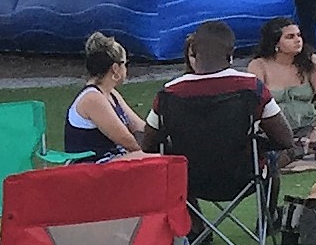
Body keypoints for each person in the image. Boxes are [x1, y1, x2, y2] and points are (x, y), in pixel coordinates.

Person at [140, 19, 295, 159]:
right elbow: (284, 139)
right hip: (240, 176)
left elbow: (148, 144)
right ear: (231, 54)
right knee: (271, 162)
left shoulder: (169, 92)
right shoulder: (252, 86)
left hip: (188, 176)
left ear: (193, 52)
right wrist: (254, 144)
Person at [247, 19, 316, 155]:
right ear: (275, 42)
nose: (297, 40)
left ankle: (307, 141)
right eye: (290, 37)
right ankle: (297, 144)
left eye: (299, 35)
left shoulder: (311, 60)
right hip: (277, 128)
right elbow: (256, 103)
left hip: (310, 124)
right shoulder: (259, 65)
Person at [63, 32, 147, 160]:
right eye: (125, 63)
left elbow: (139, 126)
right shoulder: (92, 99)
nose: (126, 68)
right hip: (90, 167)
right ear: (115, 68)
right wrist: (155, 149)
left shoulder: (111, 93)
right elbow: (127, 141)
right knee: (155, 159)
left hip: (111, 161)